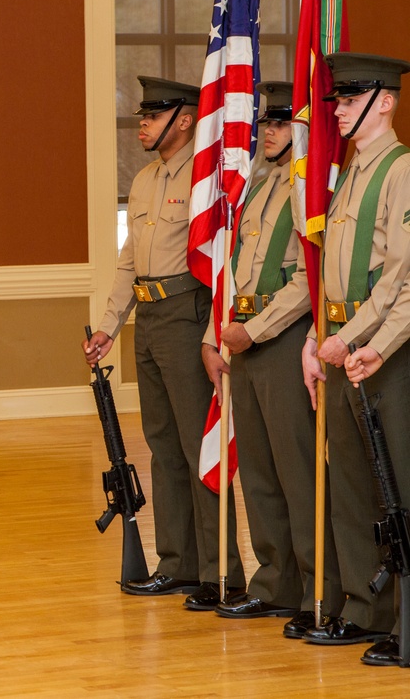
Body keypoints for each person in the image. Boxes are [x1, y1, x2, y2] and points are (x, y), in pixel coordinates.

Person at [84, 76, 245, 610]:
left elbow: (222, 266)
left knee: (198, 446)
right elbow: (130, 257)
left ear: (182, 119)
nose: (142, 125)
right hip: (148, 320)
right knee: (163, 446)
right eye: (141, 116)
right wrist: (110, 323)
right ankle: (176, 563)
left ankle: (217, 570)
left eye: (152, 116)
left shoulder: (207, 181)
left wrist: (208, 334)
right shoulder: (148, 179)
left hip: (185, 315)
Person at [200, 81, 343, 638]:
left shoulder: (309, 190)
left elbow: (311, 281)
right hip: (245, 340)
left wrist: (253, 331)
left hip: (282, 341)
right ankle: (274, 582)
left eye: (280, 125)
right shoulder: (257, 188)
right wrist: (223, 334)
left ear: (302, 129)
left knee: (297, 469)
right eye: (264, 124)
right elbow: (234, 270)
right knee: (258, 470)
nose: (266, 133)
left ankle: (317, 589)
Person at [301, 53, 410, 666]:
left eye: (350, 98)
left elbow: (398, 278)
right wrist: (318, 340)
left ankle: (406, 617)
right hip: (342, 347)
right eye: (337, 100)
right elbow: (336, 275)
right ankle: (362, 609)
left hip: (382, 352)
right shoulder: (348, 174)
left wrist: (359, 341)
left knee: (397, 486)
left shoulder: (402, 171)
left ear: (385, 102)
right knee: (348, 484)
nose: (337, 109)